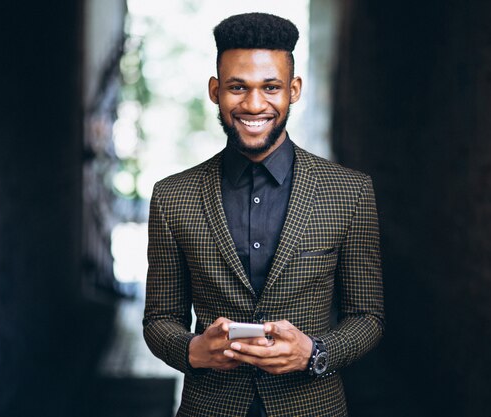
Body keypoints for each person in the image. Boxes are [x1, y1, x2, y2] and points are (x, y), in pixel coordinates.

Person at [143, 12, 384, 417]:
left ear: (293, 90)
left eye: (270, 87)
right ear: (216, 90)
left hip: (313, 407)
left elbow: (368, 317)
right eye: (238, 87)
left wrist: (316, 353)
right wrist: (193, 350)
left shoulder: (350, 192)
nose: (254, 104)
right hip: (209, 408)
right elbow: (159, 319)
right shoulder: (172, 197)